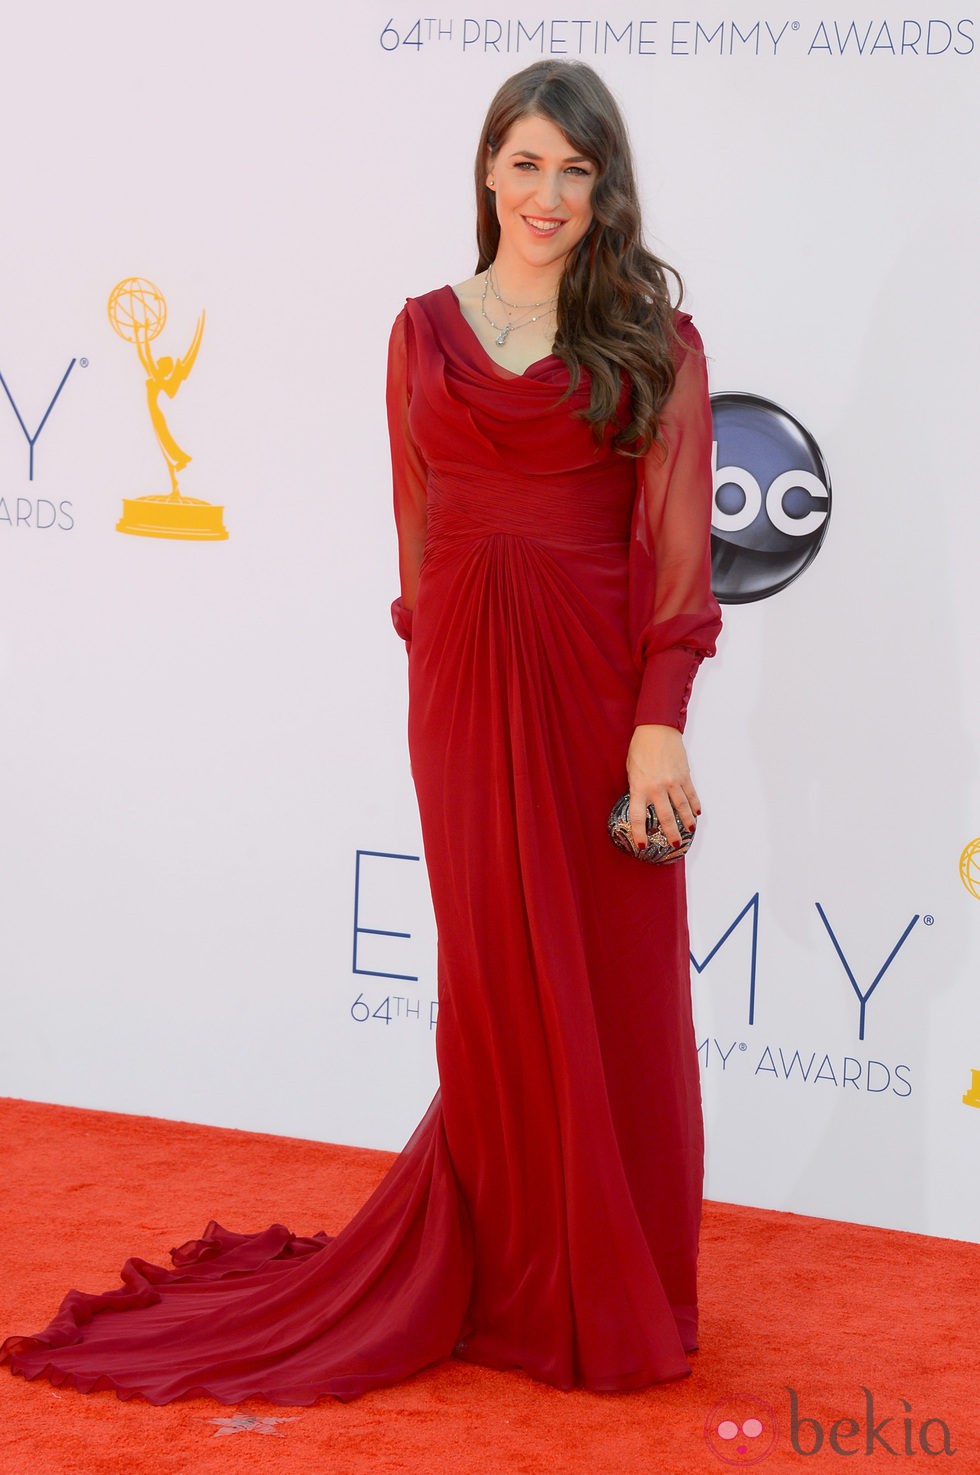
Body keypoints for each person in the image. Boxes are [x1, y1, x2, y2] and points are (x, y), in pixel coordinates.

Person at [1, 60, 720, 1406]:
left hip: (594, 693)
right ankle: (505, 1274)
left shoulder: (654, 343)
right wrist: (441, 668)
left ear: (605, 185)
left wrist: (656, 725)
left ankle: (615, 1284)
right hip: (457, 685)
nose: (548, 194)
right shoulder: (420, 331)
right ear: (486, 171)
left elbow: (674, 563)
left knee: (616, 991)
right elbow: (419, 531)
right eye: (525, 163)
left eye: (576, 169)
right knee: (495, 990)